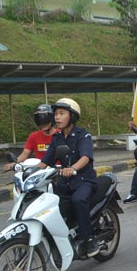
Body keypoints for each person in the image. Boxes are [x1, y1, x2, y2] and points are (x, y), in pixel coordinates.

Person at [38, 98, 100, 257]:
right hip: (65, 181)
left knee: (78, 200)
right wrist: (27, 172)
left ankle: (89, 239)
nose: (57, 117)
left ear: (71, 116)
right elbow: (46, 161)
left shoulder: (82, 135)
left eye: (61, 113)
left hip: (84, 180)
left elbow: (86, 157)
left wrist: (72, 168)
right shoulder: (57, 138)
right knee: (48, 201)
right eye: (56, 114)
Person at [4, 104, 58, 171]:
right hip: (38, 171)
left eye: (46, 120)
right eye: (40, 120)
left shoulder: (60, 135)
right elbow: (25, 154)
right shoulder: (34, 136)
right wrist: (13, 164)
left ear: (52, 119)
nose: (43, 123)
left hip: (56, 171)